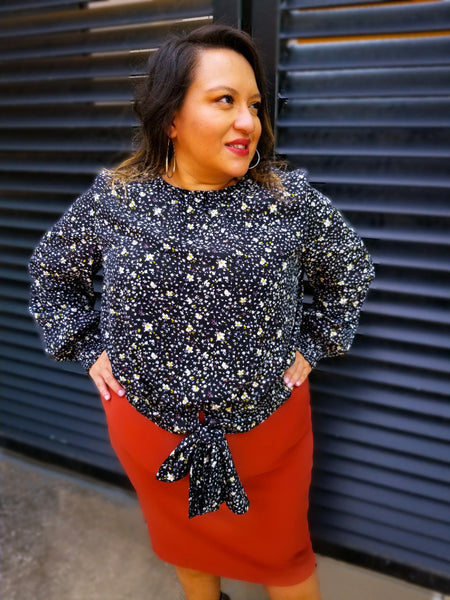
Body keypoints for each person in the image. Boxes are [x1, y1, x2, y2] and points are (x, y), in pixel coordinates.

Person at [29, 24, 374, 600]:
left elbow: (349, 270)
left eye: (254, 105)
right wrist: (86, 346)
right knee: (185, 548)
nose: (248, 122)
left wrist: (317, 342)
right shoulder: (117, 199)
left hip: (268, 434)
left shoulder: (288, 200)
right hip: (150, 431)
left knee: (286, 560)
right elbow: (53, 273)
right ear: (170, 115)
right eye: (225, 101)